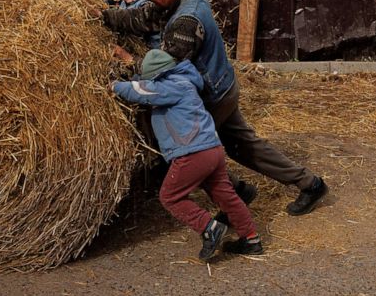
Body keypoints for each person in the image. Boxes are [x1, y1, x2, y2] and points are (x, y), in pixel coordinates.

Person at [100, 0, 328, 217]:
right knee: (243, 146)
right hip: (222, 85)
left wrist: (129, 61)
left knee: (188, 153)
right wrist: (105, 17)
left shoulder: (186, 21)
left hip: (212, 95)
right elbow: (141, 18)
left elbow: (163, 69)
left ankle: (235, 199)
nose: (146, 0)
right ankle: (309, 184)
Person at [111, 49, 263, 260]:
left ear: (159, 75)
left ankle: (209, 227)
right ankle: (251, 238)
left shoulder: (172, 87)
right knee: (226, 196)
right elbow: (148, 86)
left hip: (193, 153)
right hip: (212, 149)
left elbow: (141, 91)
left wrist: (112, 86)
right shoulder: (183, 81)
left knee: (170, 196)